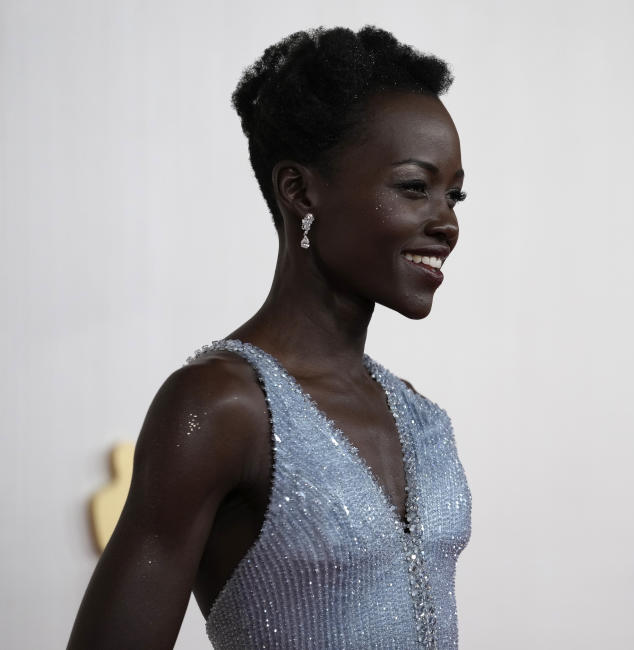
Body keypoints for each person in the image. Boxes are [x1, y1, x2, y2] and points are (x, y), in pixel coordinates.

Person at [68, 25, 472, 649]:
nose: (445, 221)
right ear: (299, 190)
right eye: (415, 187)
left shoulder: (421, 416)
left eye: (454, 195)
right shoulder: (220, 406)